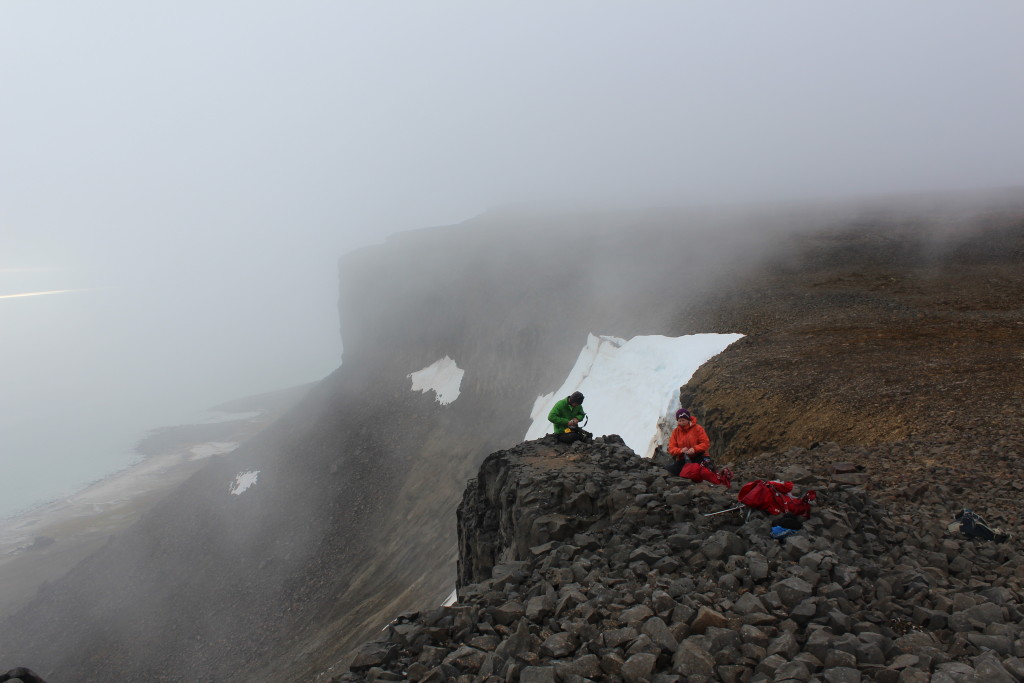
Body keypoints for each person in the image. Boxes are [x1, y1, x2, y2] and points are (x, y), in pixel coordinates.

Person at [666, 408, 710, 476]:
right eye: (679, 421)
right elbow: (671, 448)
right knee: (671, 470)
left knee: (700, 472)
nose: (681, 422)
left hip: (699, 456)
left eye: (683, 420)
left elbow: (705, 443)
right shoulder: (675, 432)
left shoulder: (698, 428)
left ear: (688, 419)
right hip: (684, 458)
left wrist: (694, 449)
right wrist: (680, 450)